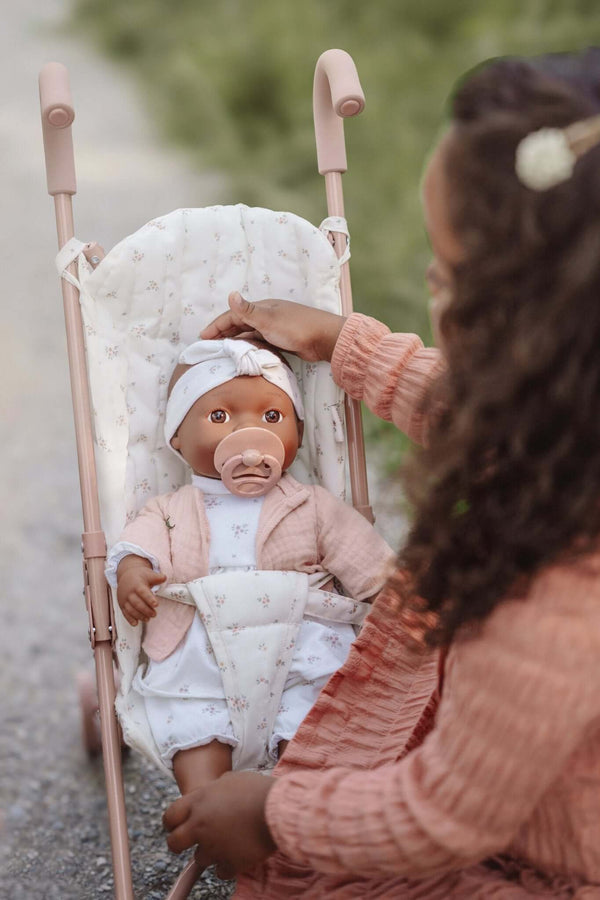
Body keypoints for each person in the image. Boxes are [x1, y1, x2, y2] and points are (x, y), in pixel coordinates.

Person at [161, 49, 600, 897]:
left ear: (535, 330)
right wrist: (340, 340)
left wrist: (274, 815)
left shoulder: (552, 599)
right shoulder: (569, 433)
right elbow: (468, 411)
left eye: (444, 274)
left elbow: (444, 817)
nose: (430, 288)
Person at [105, 337, 394, 797]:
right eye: (219, 417)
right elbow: (138, 544)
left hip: (301, 647)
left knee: (316, 723)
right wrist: (133, 572)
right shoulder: (170, 508)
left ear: (296, 436)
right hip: (201, 659)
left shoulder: (310, 504)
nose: (249, 434)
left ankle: (301, 807)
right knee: (195, 727)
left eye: (272, 417)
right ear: (178, 437)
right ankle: (209, 806)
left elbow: (367, 560)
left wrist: (394, 597)